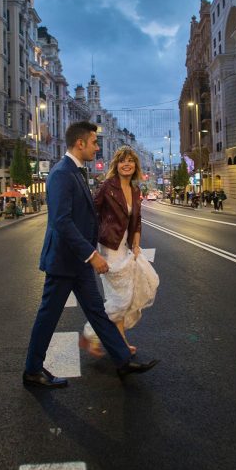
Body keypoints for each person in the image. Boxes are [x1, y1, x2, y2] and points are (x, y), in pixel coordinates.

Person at [23, 121, 158, 388]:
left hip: (79, 262)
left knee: (97, 312)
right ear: (80, 143)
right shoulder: (62, 173)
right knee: (48, 316)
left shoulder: (76, 172)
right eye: (94, 142)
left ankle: (122, 360)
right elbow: (61, 221)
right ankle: (32, 370)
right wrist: (92, 254)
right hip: (64, 261)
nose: (97, 147)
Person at [83, 147, 158, 358]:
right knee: (121, 298)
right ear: (116, 165)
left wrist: (136, 245)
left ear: (135, 165)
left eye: (130, 161)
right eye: (122, 161)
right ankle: (91, 333)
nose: (127, 164)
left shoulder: (135, 189)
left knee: (122, 296)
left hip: (125, 247)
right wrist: (90, 242)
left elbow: (137, 220)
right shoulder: (108, 186)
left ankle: (119, 343)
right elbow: (92, 211)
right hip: (109, 246)